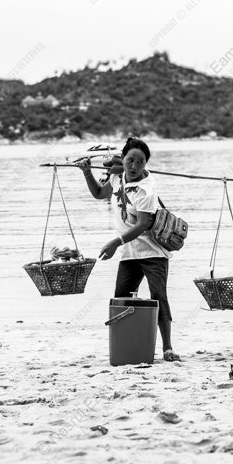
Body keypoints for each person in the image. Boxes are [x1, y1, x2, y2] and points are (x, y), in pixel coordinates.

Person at [76, 137, 178, 362]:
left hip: (152, 252)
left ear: (145, 164)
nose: (134, 166)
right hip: (130, 253)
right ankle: (126, 343)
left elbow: (142, 224)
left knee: (158, 296)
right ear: (123, 159)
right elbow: (99, 194)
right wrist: (86, 172)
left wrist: (115, 242)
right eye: (130, 160)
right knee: (121, 298)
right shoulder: (116, 177)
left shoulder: (146, 190)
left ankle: (168, 348)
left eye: (140, 162)